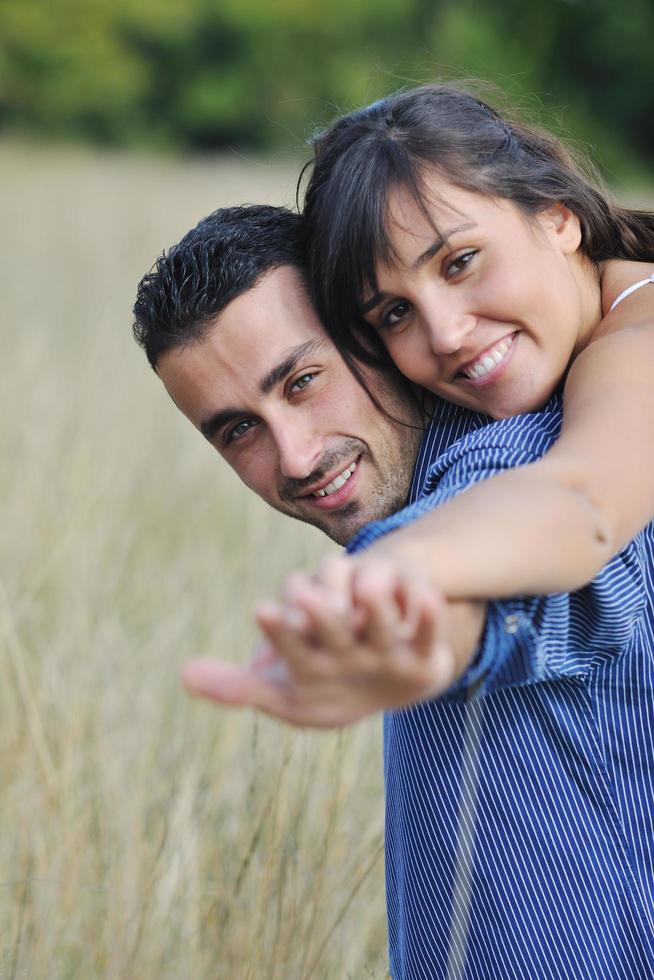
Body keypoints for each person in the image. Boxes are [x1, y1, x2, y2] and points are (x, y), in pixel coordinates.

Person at [133, 204, 654, 978]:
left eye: (304, 382)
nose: (297, 455)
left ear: (376, 334)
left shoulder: (513, 470)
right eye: (238, 430)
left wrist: (392, 619)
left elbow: (493, 603)